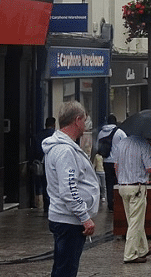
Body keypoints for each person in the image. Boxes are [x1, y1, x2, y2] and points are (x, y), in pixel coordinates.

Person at [42, 101, 99, 277]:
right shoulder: (65, 151)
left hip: (66, 219)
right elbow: (68, 188)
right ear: (77, 120)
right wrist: (84, 217)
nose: (86, 125)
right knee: (66, 270)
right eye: (85, 120)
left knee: (63, 268)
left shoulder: (62, 147)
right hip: (69, 221)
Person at [114, 132, 151, 264]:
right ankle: (129, 254)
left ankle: (142, 248)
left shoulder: (120, 144)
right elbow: (150, 168)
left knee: (133, 220)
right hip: (137, 187)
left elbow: (115, 166)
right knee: (135, 222)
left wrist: (122, 180)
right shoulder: (143, 144)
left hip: (123, 186)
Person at [96, 115, 126, 212]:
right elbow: (126, 145)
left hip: (106, 162)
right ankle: (117, 202)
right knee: (118, 182)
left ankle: (110, 205)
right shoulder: (120, 132)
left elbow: (98, 147)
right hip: (118, 162)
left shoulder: (101, 132)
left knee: (109, 183)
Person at [33, 116, 55, 213]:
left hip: (41, 164)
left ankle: (46, 206)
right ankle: (52, 206)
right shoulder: (55, 135)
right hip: (53, 164)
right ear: (54, 125)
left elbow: (34, 150)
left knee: (44, 184)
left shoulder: (38, 135)